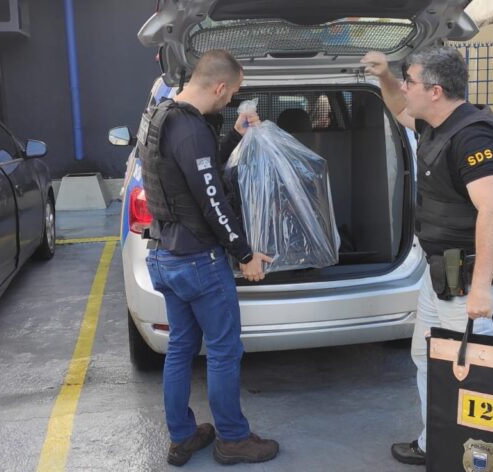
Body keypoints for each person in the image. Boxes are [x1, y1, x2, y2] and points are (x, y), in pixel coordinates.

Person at [361, 46, 493, 466]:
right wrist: (384, 76)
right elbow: (399, 108)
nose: (404, 88)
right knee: (429, 359)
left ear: (434, 91)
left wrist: (482, 287)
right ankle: (435, 443)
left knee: (476, 379)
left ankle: (476, 460)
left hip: (473, 283)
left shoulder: (474, 137)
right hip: (442, 276)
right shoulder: (436, 124)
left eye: (409, 81)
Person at [138, 49, 279, 466]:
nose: (232, 99)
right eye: (233, 92)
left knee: (181, 348)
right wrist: (245, 253)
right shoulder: (191, 130)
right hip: (199, 261)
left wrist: (233, 136)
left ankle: (182, 437)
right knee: (223, 351)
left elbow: (196, 176)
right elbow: (213, 201)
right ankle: (233, 439)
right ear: (219, 87)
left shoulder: (161, 117)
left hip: (164, 255)